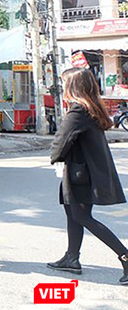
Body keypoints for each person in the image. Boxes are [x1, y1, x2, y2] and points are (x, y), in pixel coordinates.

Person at [47, 68, 128, 285]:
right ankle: (71, 258)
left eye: (64, 83)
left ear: (71, 86)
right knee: (73, 213)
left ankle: (125, 256)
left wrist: (54, 157)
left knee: (82, 217)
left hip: (80, 173)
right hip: (85, 171)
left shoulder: (78, 111)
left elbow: (61, 142)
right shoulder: (92, 108)